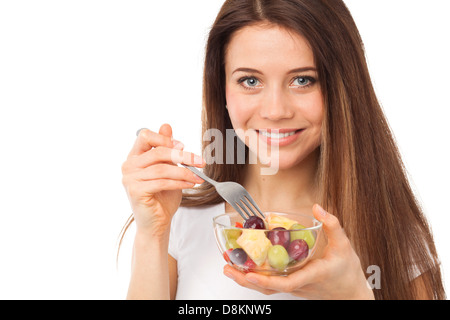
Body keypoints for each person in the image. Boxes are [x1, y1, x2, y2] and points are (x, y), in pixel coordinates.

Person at [119, 0, 445, 300]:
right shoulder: (179, 223)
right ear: (223, 89)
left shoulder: (391, 229)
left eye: (302, 80)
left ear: (341, 88)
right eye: (250, 81)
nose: (276, 111)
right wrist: (151, 234)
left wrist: (355, 294)